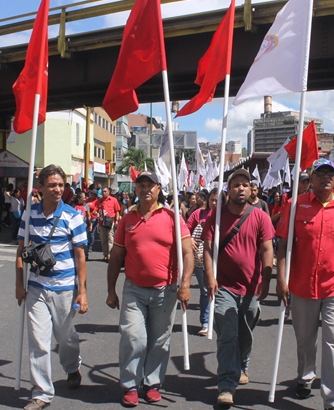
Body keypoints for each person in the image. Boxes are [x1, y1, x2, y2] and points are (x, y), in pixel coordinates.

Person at [275, 159, 334, 409]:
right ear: (311, 179)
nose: (325, 177)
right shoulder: (295, 206)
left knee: (333, 342)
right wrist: (281, 280)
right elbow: (283, 246)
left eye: (330, 173)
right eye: (320, 173)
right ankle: (305, 376)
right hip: (302, 286)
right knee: (305, 339)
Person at [106, 171, 194, 407]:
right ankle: (130, 385)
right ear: (135, 189)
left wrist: (185, 285)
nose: (145, 189)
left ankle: (152, 383)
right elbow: (116, 258)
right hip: (133, 289)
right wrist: (111, 290)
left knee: (159, 340)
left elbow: (188, 253)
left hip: (166, 290)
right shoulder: (127, 219)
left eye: (150, 185)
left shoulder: (173, 217)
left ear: (158, 189)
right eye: (141, 185)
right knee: (133, 337)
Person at [15, 164, 88, 410]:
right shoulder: (30, 213)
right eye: (52, 185)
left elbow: (80, 255)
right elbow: (20, 251)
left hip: (65, 287)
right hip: (36, 286)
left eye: (61, 185)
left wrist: (83, 291)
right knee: (38, 341)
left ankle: (72, 367)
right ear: (41, 188)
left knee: (65, 337)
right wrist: (19, 284)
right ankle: (42, 393)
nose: (58, 189)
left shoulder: (73, 215)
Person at [202, 169, 274, 406]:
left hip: (251, 288)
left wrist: (267, 276)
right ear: (228, 189)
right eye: (236, 185)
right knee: (228, 335)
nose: (240, 188)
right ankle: (226, 385)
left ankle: (242, 364)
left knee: (245, 333)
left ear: (251, 189)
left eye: (245, 184)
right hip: (224, 286)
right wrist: (210, 277)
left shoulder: (260, 216)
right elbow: (210, 248)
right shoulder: (216, 215)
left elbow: (266, 249)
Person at [186, 189, 216, 336]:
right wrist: (190, 239)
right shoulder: (198, 214)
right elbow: (185, 229)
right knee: (205, 291)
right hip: (200, 259)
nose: (215, 203)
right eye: (213, 200)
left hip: (221, 260)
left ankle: (218, 320)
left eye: (219, 200)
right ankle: (205, 322)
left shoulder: (228, 216)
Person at [93, 187, 121, 262]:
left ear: (108, 192)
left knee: (110, 238)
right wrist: (96, 213)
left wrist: (117, 220)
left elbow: (117, 211)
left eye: (105, 191)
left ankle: (110, 255)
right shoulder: (99, 201)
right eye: (102, 191)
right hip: (102, 223)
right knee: (103, 239)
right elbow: (94, 210)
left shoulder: (113, 200)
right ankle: (105, 254)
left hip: (110, 222)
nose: (103, 192)